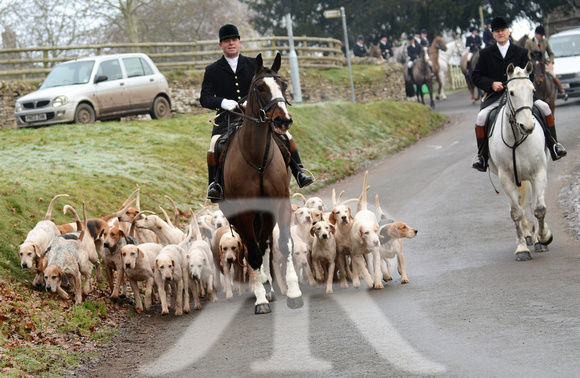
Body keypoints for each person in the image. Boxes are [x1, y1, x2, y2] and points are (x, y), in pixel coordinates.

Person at [200, 24, 313, 200]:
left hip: (257, 117)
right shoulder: (212, 70)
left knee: (287, 136)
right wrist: (223, 102)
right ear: (220, 45)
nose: (231, 43)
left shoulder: (254, 64)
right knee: (214, 145)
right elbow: (204, 98)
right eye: (227, 41)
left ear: (239, 42)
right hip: (227, 120)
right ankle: (215, 186)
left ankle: (300, 172)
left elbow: (267, 87)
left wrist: (250, 100)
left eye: (234, 40)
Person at [470, 17, 567, 172]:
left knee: (544, 107)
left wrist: (521, 85)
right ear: (493, 34)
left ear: (509, 31)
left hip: (521, 95)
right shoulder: (486, 53)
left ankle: (554, 144)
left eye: (503, 30)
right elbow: (476, 76)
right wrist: (491, 84)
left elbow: (531, 74)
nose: (500, 33)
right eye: (497, 31)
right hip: (496, 96)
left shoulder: (521, 52)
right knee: (481, 117)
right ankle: (482, 156)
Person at [524, 24, 568, 100]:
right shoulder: (529, 42)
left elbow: (551, 53)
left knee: (553, 75)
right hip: (533, 63)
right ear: (536, 34)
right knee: (526, 77)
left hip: (543, 63)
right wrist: (532, 62)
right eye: (540, 35)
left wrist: (551, 62)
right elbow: (527, 53)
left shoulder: (545, 41)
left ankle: (562, 90)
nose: (542, 37)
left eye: (542, 35)